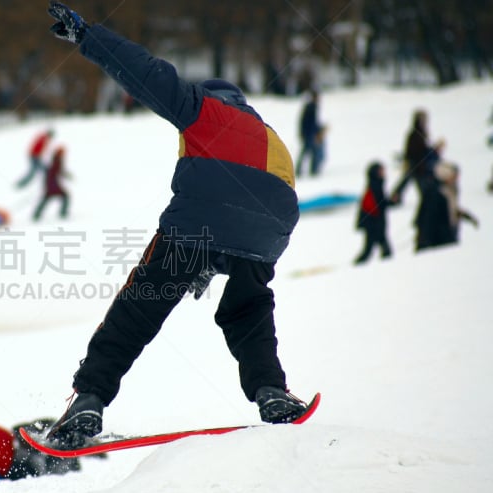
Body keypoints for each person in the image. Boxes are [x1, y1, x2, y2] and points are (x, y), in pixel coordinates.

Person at [44, 2, 309, 450]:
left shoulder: (203, 109)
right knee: (249, 309)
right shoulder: (269, 135)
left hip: (203, 220)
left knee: (140, 305)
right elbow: (256, 201)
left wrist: (88, 37)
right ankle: (271, 392)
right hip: (272, 225)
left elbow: (145, 73)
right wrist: (217, 258)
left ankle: (88, 397)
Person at [415, 161, 478, 251]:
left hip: (450, 232)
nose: (456, 178)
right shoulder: (435, 192)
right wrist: (424, 241)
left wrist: (468, 217)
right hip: (438, 238)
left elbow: (453, 209)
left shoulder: (451, 189)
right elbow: (428, 217)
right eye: (454, 176)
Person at [391, 109, 444, 205]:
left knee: (410, 182)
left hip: (418, 164)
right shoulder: (415, 134)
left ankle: (396, 197)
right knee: (413, 182)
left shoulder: (422, 133)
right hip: (415, 163)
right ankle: (396, 198)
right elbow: (414, 150)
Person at [354, 162, 392, 264]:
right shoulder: (375, 186)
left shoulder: (375, 184)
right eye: (381, 171)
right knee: (372, 250)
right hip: (373, 224)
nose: (383, 173)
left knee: (373, 249)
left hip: (373, 223)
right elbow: (378, 205)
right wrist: (391, 201)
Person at [32, 146, 71, 221]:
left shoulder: (56, 159)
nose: (64, 154)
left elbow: (56, 171)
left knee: (47, 198)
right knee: (65, 196)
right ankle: (63, 213)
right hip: (52, 184)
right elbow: (56, 171)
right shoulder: (57, 160)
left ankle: (36, 214)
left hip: (50, 183)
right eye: (63, 153)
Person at [295, 89, 325, 177]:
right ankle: (313, 170)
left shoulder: (309, 106)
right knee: (311, 152)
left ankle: (300, 170)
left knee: (306, 152)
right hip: (310, 134)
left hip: (307, 133)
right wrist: (317, 131)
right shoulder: (312, 107)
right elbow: (311, 122)